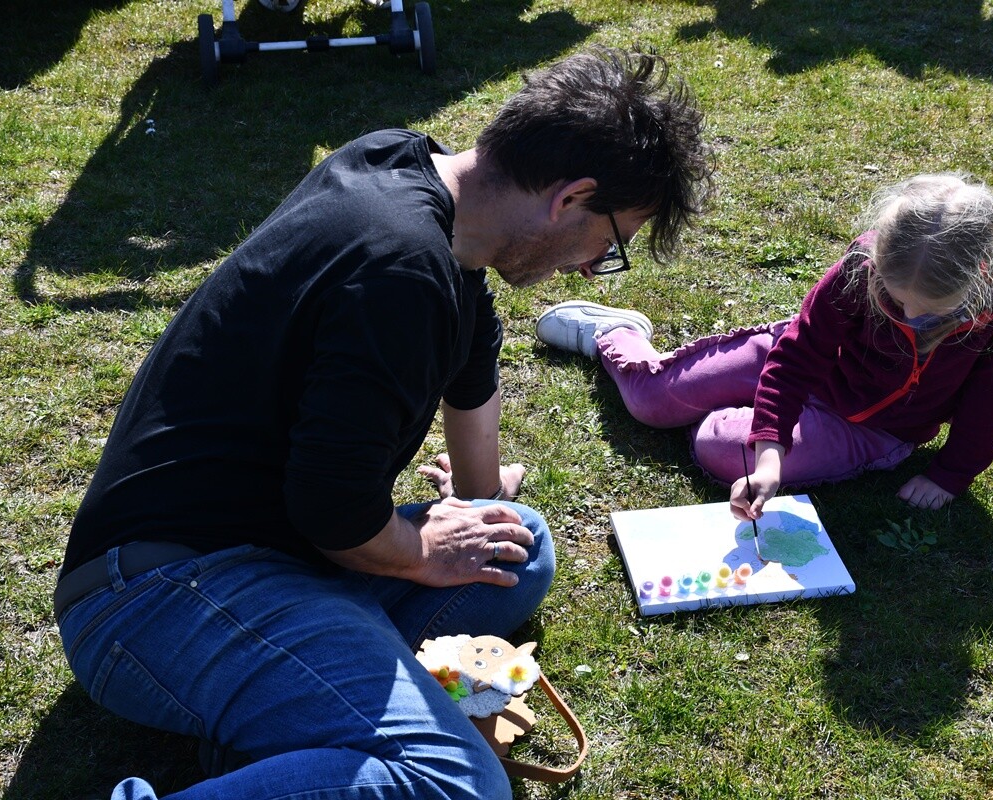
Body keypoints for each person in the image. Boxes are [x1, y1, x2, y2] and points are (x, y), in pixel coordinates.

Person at [55, 47, 712, 800]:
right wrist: (415, 551)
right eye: (613, 242)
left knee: (515, 546)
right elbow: (336, 515)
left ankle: (289, 731)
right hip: (158, 597)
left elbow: (471, 355)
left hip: (262, 555)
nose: (595, 268)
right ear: (571, 198)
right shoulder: (400, 271)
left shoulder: (404, 167)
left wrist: (477, 495)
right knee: (458, 784)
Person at [536, 173, 993, 516]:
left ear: (980, 277)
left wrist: (952, 472)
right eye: (896, 300)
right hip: (809, 365)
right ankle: (614, 335)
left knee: (717, 447)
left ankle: (743, 418)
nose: (912, 318)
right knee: (650, 401)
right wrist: (772, 453)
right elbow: (802, 352)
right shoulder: (864, 261)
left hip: (872, 426)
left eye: (932, 310)